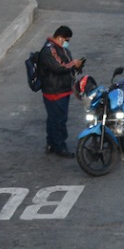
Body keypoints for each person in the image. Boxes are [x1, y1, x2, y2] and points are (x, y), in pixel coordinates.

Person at [38, 25, 85, 157]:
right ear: (59, 38)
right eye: (67, 40)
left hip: (61, 89)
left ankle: (52, 143)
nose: (67, 43)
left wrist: (75, 66)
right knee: (59, 119)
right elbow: (58, 67)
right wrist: (73, 64)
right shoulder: (49, 50)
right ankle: (60, 147)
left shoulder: (59, 49)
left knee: (53, 118)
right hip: (55, 91)